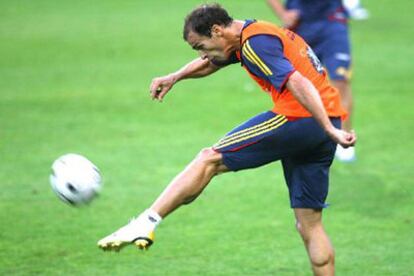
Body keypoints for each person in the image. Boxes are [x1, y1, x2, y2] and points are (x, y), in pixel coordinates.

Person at [97, 4, 356, 275]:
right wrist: (175, 77)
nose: (202, 54)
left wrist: (328, 128)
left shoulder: (256, 44)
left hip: (302, 118)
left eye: (201, 45)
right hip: (325, 123)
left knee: (209, 159)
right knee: (309, 224)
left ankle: (145, 222)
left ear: (217, 30)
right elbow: (212, 63)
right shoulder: (249, 35)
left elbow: (298, 82)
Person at [267, 0, 357, 162]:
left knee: (340, 80)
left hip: (332, 20)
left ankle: (344, 135)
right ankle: (304, 135)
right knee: (296, 83)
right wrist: (282, 14)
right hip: (300, 23)